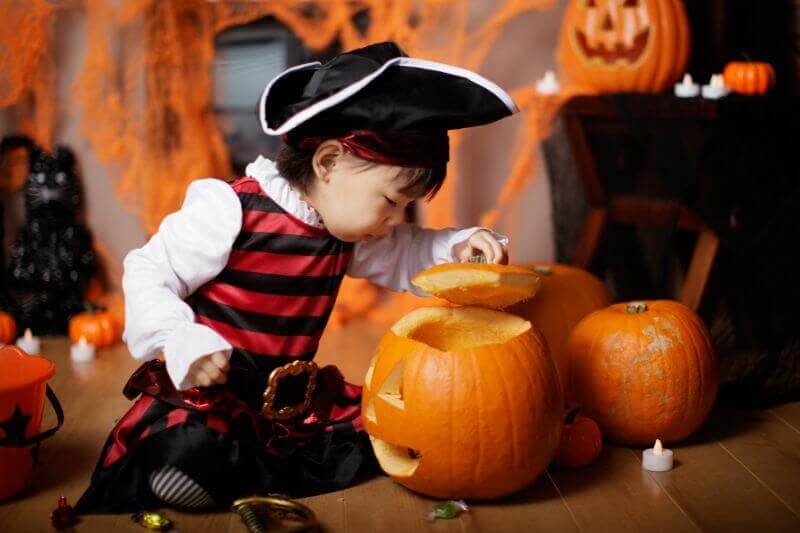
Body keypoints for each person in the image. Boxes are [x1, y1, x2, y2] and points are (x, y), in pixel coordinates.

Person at [75, 41, 518, 513]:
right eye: (391, 201)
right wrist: (178, 338)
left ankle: (244, 466)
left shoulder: (341, 231)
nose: (395, 219)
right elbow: (148, 271)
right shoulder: (231, 210)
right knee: (189, 448)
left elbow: (405, 252)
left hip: (287, 402)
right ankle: (200, 465)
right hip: (210, 392)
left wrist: (456, 247)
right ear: (328, 163)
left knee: (388, 424)